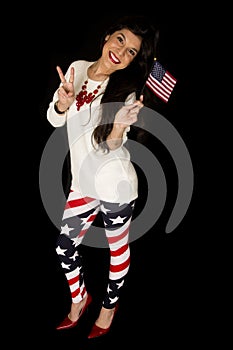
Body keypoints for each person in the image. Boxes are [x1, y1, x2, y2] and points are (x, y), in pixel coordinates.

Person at [46, 15, 158, 339]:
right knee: (64, 247)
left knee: (116, 251)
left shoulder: (124, 91)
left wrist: (120, 127)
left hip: (116, 186)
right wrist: (61, 102)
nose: (121, 52)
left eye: (132, 52)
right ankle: (80, 298)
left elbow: (109, 146)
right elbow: (54, 119)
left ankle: (109, 307)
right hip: (83, 184)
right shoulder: (76, 69)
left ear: (132, 62)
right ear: (108, 36)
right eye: (121, 40)